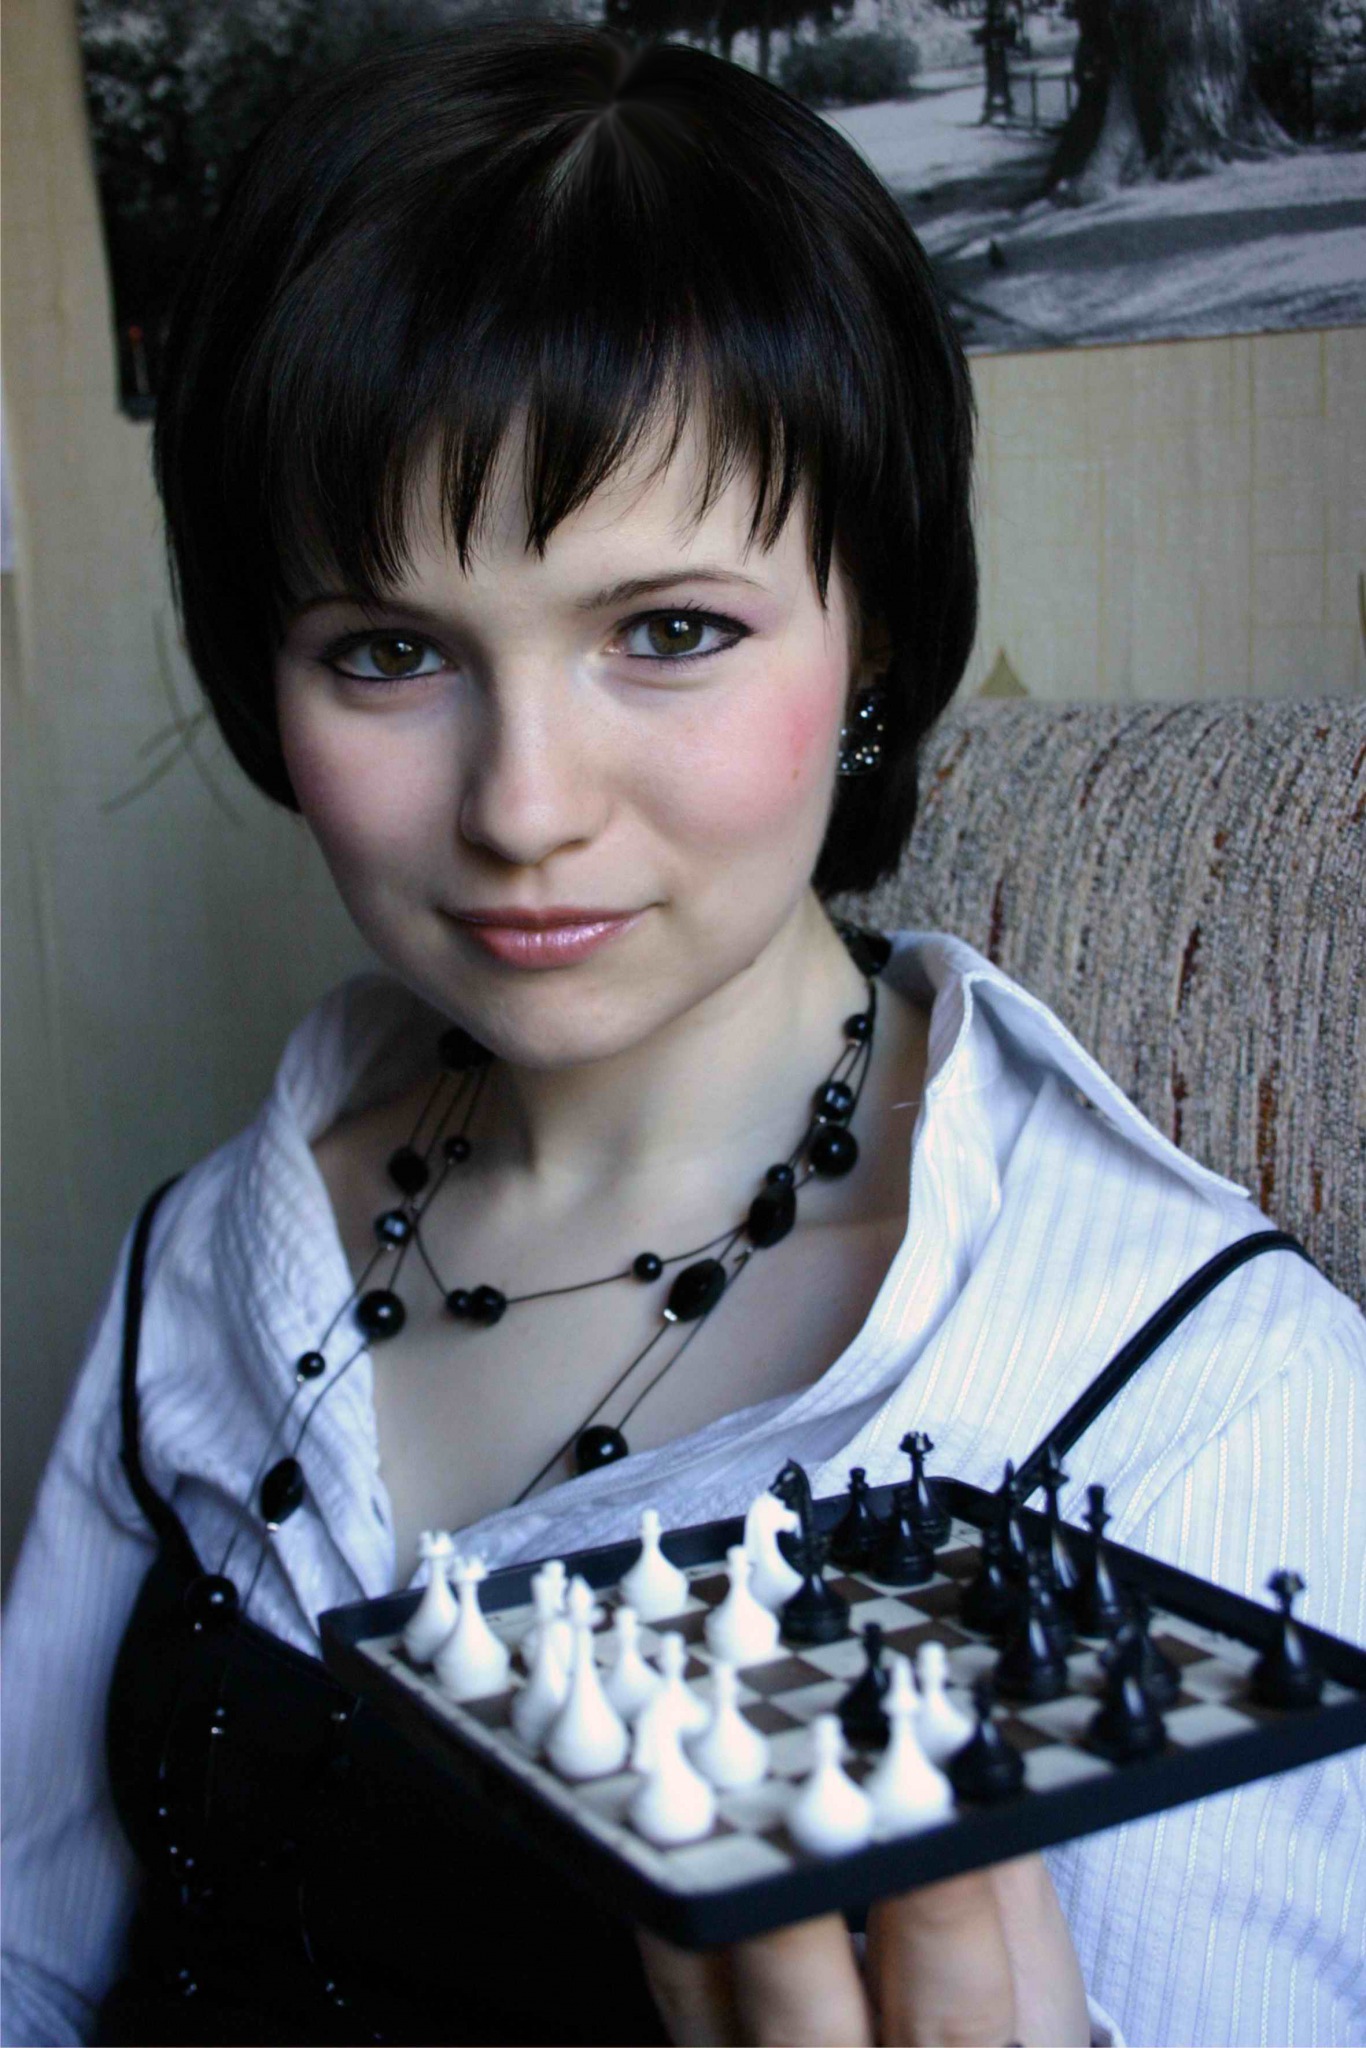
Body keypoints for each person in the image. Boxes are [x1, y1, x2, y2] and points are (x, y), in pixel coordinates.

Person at [3, 21, 1363, 2048]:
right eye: (388, 651)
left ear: (872, 633)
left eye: (668, 632)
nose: (522, 804)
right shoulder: (209, 1254)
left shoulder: (1194, 1398)